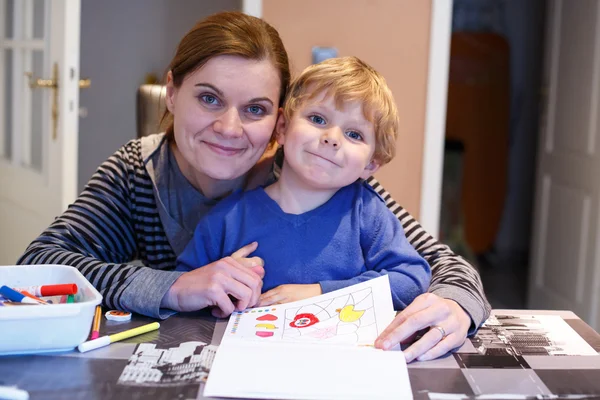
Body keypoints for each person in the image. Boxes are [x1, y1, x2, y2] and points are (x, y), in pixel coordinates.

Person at [17, 11, 490, 362]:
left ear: (280, 121)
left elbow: (439, 266)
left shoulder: (319, 178)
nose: (229, 127)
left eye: (255, 109)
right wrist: (175, 286)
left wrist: (457, 306)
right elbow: (40, 265)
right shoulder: (136, 173)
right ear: (173, 92)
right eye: (209, 98)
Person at [176, 56, 431, 311]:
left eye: (354, 134)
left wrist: (322, 293)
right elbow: (186, 286)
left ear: (371, 164)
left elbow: (410, 280)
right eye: (318, 119)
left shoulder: (367, 213)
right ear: (283, 127)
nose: (331, 138)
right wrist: (220, 288)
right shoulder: (227, 219)